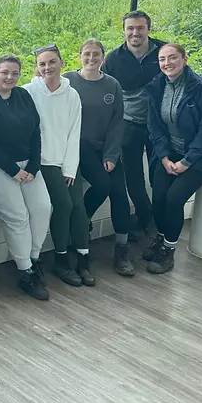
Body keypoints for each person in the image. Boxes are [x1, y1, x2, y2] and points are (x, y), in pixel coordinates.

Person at [0, 55, 52, 301]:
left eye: (15, 73)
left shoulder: (23, 96)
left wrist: (34, 166)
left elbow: (36, 131)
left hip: (26, 164)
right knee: (17, 215)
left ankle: (34, 259)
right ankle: (25, 271)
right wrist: (13, 171)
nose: (10, 78)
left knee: (42, 207)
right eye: (5, 72)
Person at [143, 44, 202, 274]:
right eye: (162, 59)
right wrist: (164, 157)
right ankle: (161, 238)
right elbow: (155, 127)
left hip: (201, 157)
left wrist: (186, 162)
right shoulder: (156, 87)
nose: (167, 63)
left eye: (173, 58)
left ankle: (169, 250)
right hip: (170, 154)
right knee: (158, 197)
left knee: (173, 199)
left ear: (184, 59)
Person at [65, 39, 135, 277]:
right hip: (78, 148)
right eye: (87, 54)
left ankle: (122, 247)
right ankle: (82, 224)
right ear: (79, 56)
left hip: (105, 148)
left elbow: (118, 122)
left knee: (119, 194)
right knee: (102, 184)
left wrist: (112, 154)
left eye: (96, 54)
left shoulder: (112, 85)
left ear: (103, 58)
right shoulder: (68, 81)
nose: (91, 58)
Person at [24, 44, 92, 287]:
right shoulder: (29, 92)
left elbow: (75, 133)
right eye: (42, 64)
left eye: (52, 62)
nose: (47, 67)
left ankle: (83, 258)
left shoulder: (72, 95)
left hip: (66, 161)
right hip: (42, 162)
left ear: (62, 63)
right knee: (63, 205)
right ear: (37, 68)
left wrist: (70, 169)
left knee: (78, 207)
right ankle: (61, 259)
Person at [103, 10, 165, 240]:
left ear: (148, 29)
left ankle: (158, 221)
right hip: (128, 126)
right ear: (124, 31)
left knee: (159, 177)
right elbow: (105, 92)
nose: (135, 33)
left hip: (159, 126)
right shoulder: (113, 59)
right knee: (133, 178)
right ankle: (146, 219)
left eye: (140, 28)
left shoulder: (163, 53)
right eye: (130, 28)